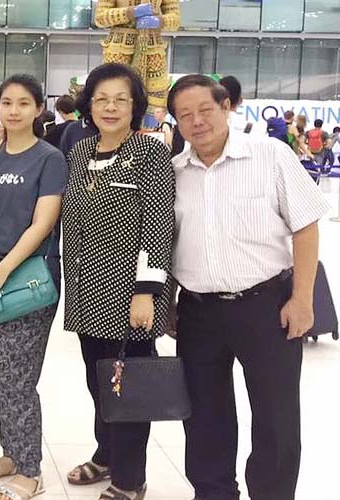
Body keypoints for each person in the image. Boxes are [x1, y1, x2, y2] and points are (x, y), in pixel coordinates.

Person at [167, 74, 329, 500]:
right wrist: (169, 302)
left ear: (226, 107)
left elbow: (306, 227)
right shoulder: (175, 172)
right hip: (198, 312)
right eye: (185, 115)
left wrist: (302, 299)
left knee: (275, 414)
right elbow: (168, 241)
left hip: (266, 305)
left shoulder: (269, 155)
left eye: (205, 110)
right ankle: (213, 492)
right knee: (204, 414)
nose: (197, 121)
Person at [63, 63, 175, 500]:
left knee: (128, 387)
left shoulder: (150, 153)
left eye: (120, 100)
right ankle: (106, 453)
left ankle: (130, 479)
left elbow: (158, 225)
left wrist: (146, 292)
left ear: (135, 106)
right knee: (98, 380)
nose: (110, 108)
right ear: (89, 105)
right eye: (102, 99)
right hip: (86, 291)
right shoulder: (80, 151)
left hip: (130, 295)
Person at [0, 74, 67, 500]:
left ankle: (30, 470)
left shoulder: (49, 159)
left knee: (18, 377)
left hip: (29, 281)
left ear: (39, 109)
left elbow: (44, 222)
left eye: (24, 103)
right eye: (7, 102)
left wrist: (4, 268)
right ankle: (11, 453)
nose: (14, 110)